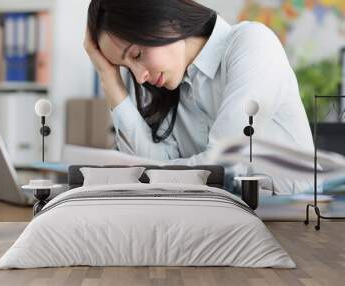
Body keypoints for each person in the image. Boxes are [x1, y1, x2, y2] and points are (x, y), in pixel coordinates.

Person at [84, 0, 314, 194]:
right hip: (225, 220)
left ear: (167, 20)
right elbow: (149, 165)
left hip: (298, 223)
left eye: (136, 54)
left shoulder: (252, 43)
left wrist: (158, 172)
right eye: (125, 67)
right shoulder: (170, 88)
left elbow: (225, 165)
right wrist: (109, 77)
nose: (139, 77)